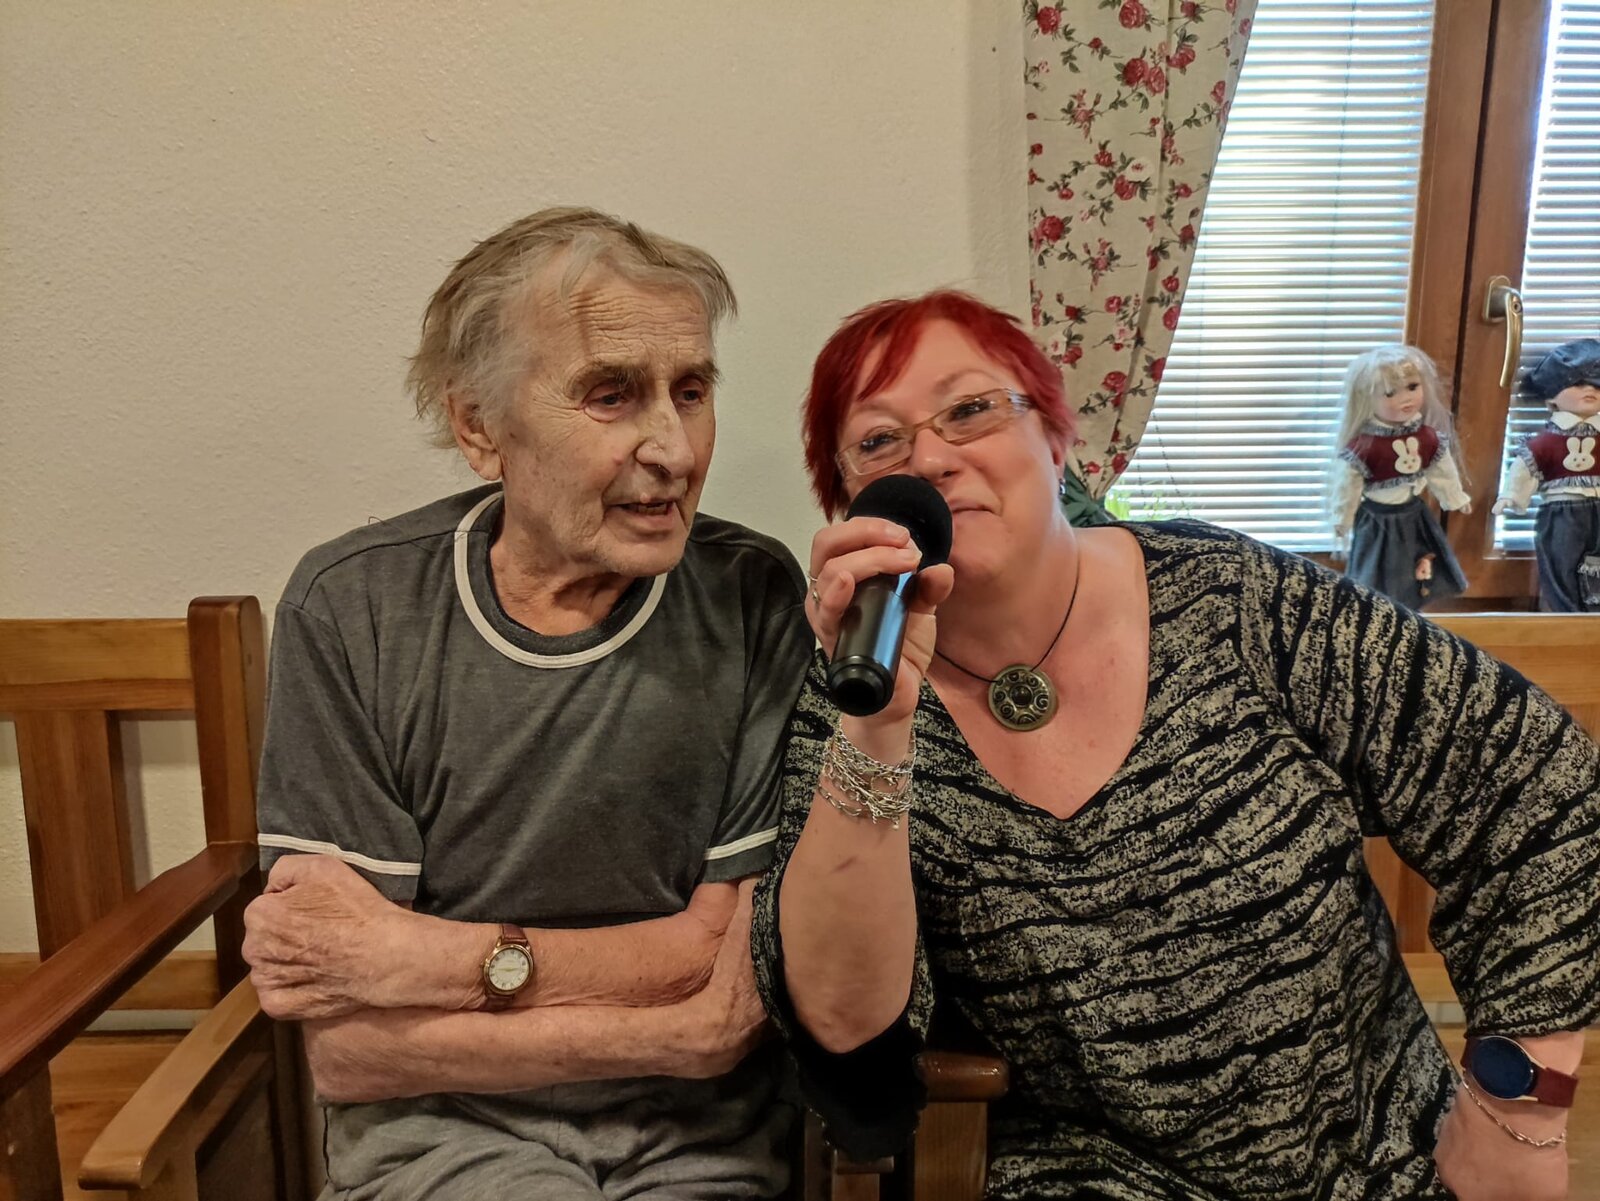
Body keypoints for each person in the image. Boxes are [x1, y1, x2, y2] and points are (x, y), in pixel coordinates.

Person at [752, 289, 1600, 1200]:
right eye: (880, 441)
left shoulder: (1236, 600)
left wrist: (1520, 1108)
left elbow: (1545, 788)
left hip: (1381, 1159)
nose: (930, 458)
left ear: (1055, 439)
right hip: (1092, 1178)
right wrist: (878, 728)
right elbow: (845, 1024)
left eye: (969, 410)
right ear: (853, 504)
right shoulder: (851, 697)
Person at [241, 207, 813, 1200]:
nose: (675, 451)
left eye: (690, 391)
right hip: (438, 1139)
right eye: (610, 394)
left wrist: (421, 957)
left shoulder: (752, 596)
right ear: (478, 427)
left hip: (699, 1142)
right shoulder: (353, 609)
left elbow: (729, 971)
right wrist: (670, 1027)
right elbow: (355, 1054)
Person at [1329, 344, 1472, 610]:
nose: (1406, 399)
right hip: (1377, 520)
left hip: (1414, 516)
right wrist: (1342, 518)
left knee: (1417, 567)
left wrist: (1454, 497)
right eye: (1390, 393)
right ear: (1366, 398)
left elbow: (1441, 470)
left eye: (1413, 387)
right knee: (1377, 574)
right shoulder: (1365, 446)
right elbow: (1348, 486)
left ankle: (1410, 613)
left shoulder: (1426, 437)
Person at [1494, 338, 1600, 612]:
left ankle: (1594, 613)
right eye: (1577, 383)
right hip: (1562, 512)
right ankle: (1566, 613)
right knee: (1561, 561)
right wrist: (1511, 496)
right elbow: (1525, 468)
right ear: (1552, 396)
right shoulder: (1545, 441)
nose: (1589, 389)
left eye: (1597, 384)